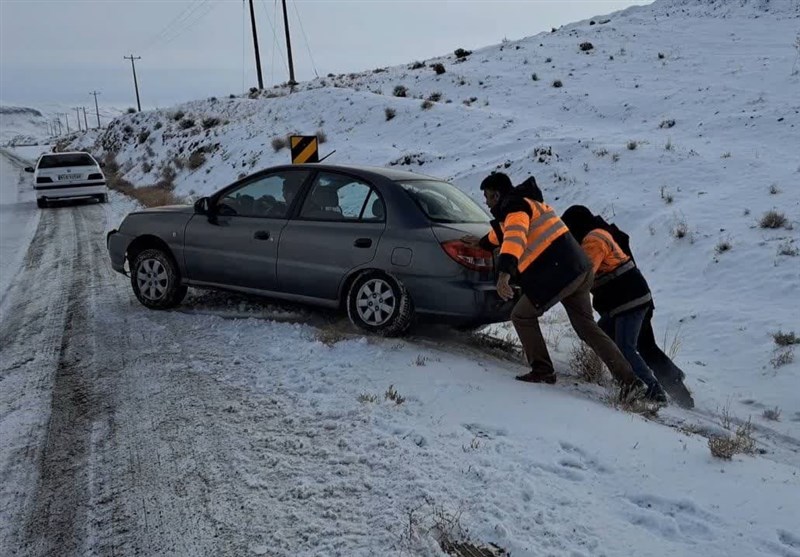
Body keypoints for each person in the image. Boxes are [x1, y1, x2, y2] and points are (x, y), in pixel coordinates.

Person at [464, 173, 642, 395]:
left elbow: (514, 238)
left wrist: (504, 275)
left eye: (488, 197)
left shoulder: (515, 208)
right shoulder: (527, 203)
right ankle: (630, 381)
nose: (486, 201)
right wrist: (481, 243)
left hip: (557, 274)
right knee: (587, 327)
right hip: (579, 269)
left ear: (497, 194)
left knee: (521, 315)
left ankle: (542, 369)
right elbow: (502, 233)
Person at [560, 205, 668, 403]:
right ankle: (628, 377)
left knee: (626, 346)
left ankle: (653, 390)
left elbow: (584, 274)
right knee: (601, 334)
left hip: (629, 299)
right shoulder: (597, 233)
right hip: (628, 297)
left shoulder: (593, 241)